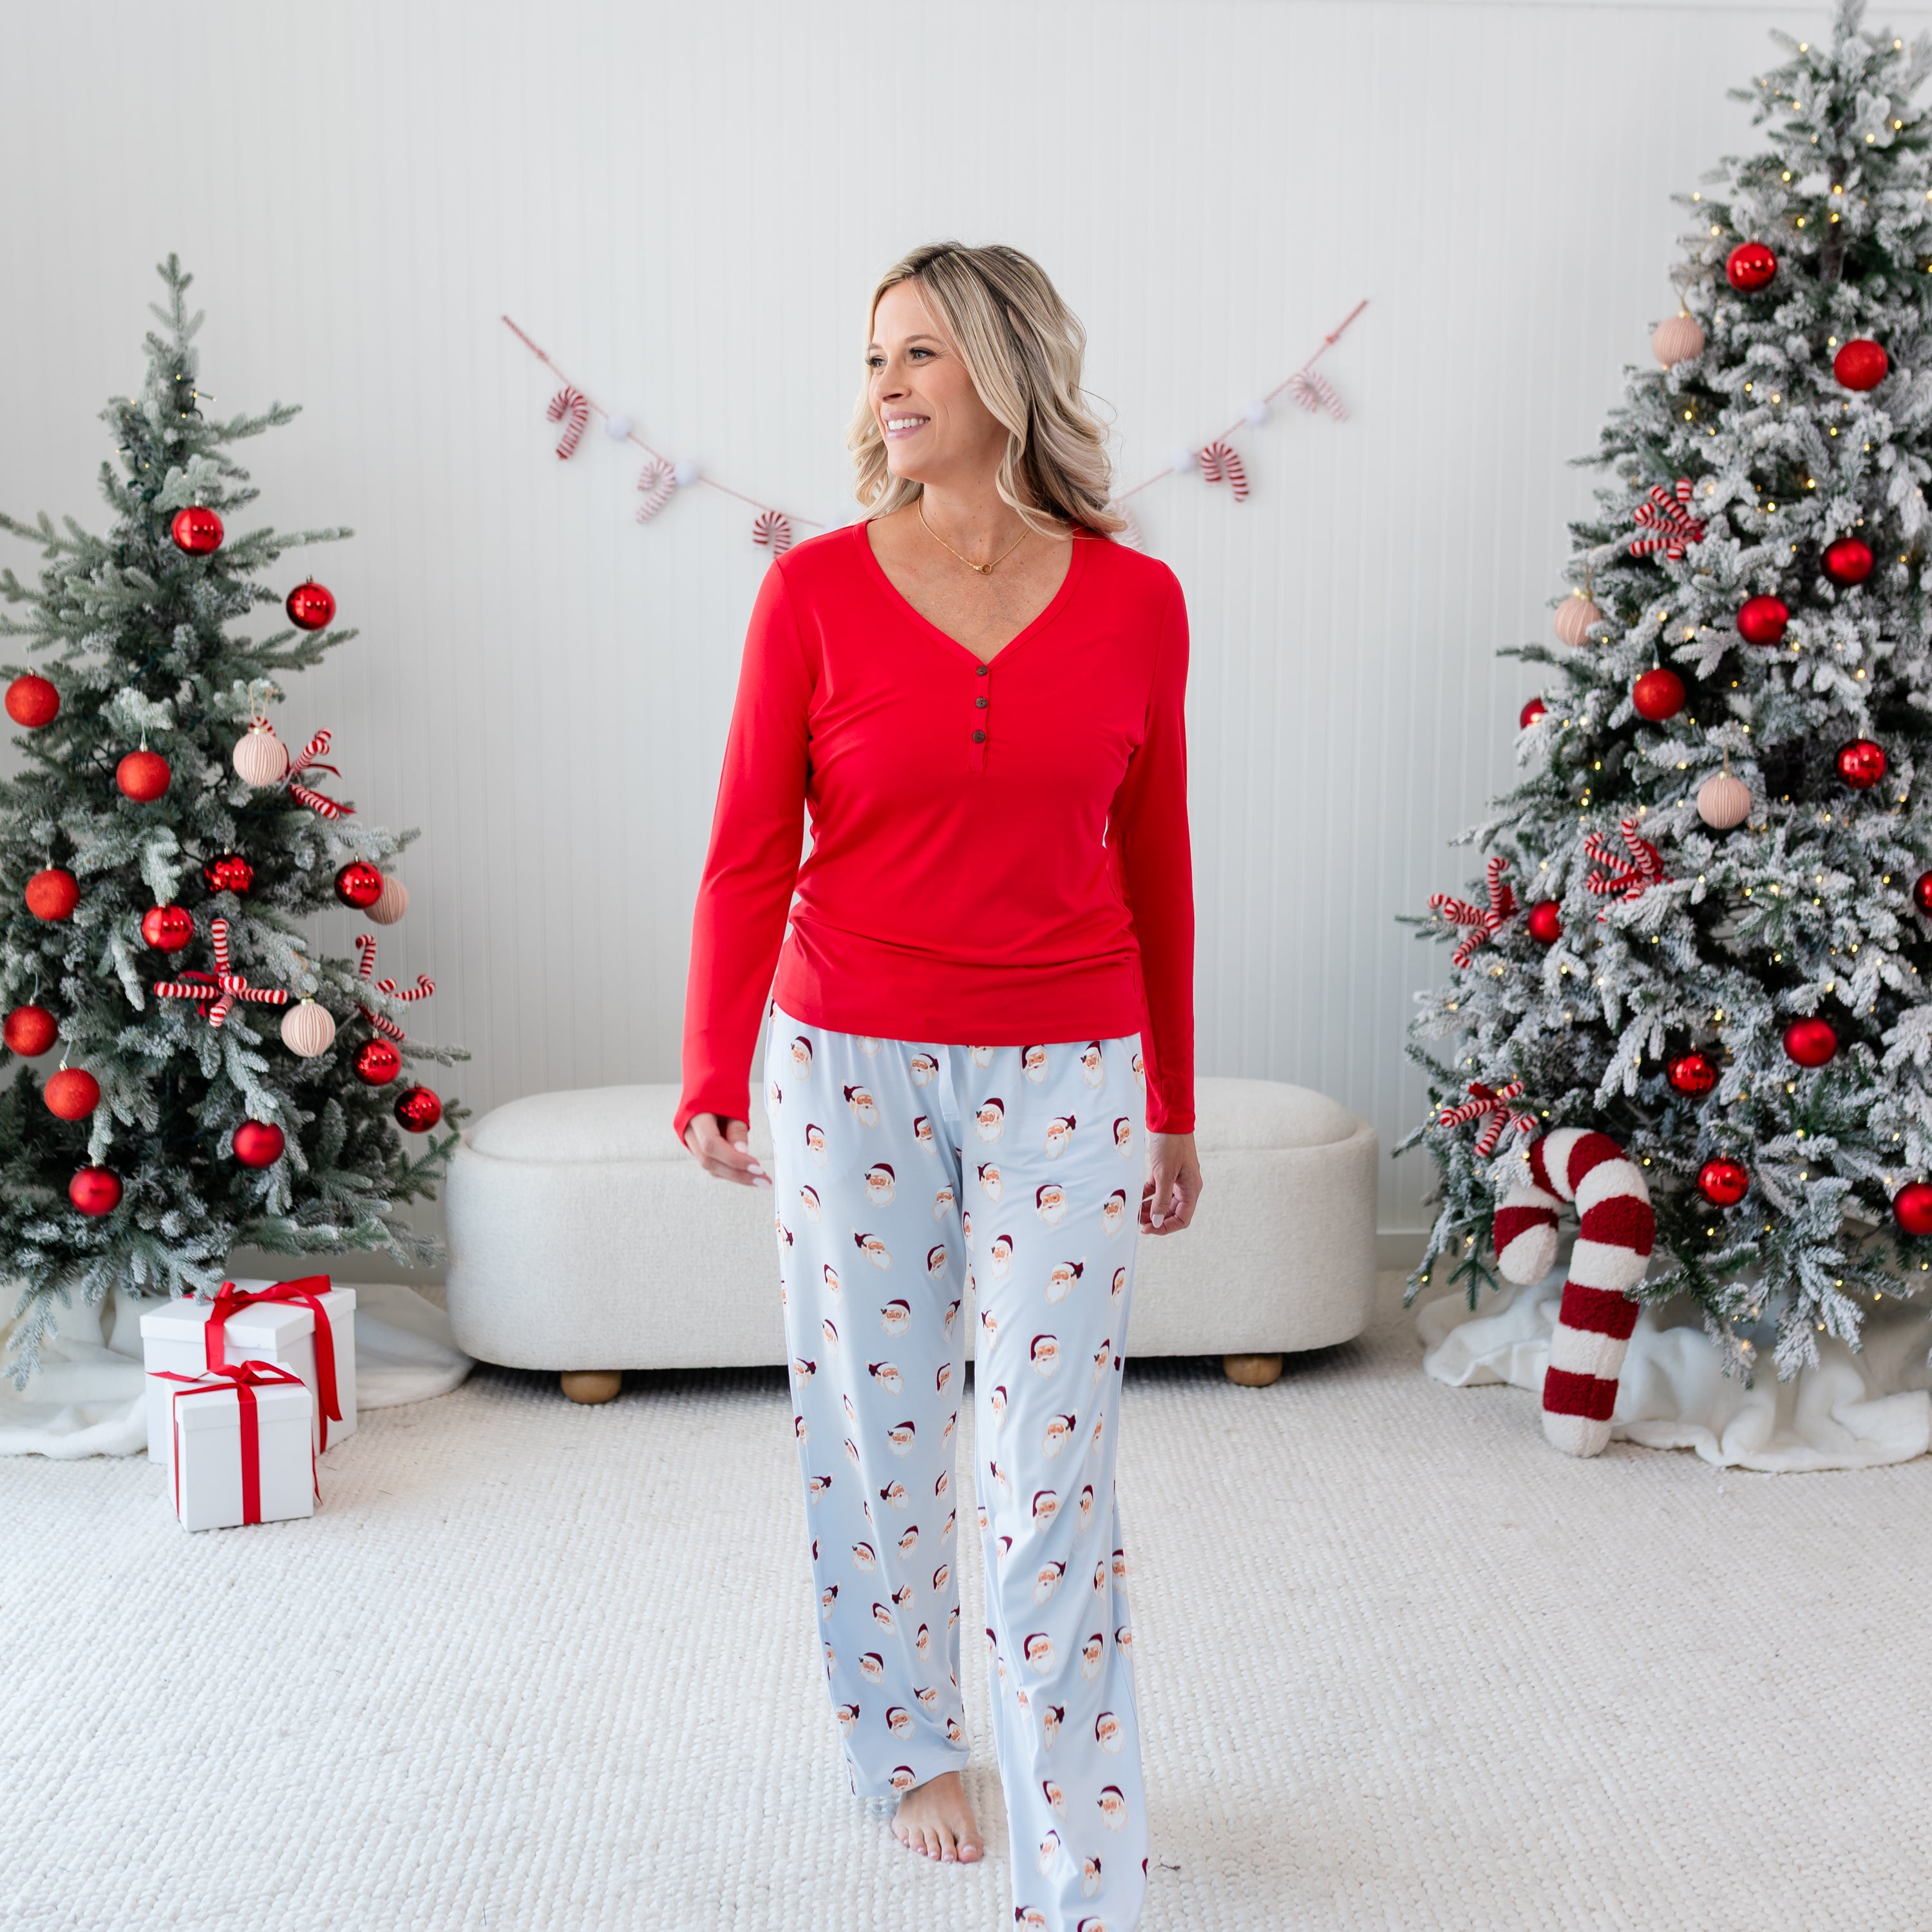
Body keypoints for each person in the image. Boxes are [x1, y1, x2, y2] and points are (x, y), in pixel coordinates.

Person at [676, 241, 1198, 1932]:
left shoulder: (1137, 601)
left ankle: (1084, 1873)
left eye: (917, 357)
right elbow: (751, 848)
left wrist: (1172, 1101)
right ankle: (905, 1740)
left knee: (1047, 1471)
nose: (884, 390)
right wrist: (713, 1066)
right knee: (877, 1436)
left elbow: (1156, 861)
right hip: (850, 1062)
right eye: (875, 360)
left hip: (1075, 1064)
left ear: (1004, 371)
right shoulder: (814, 591)